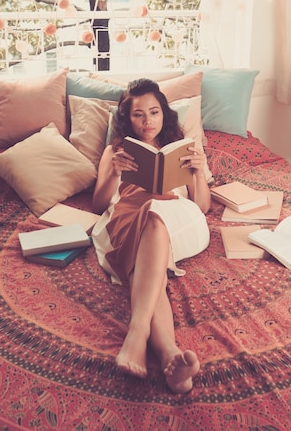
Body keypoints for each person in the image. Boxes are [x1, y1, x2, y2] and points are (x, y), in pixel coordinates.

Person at [92, 78, 211, 393]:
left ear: (164, 114)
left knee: (156, 223)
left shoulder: (185, 148)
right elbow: (99, 203)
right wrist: (115, 172)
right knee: (149, 246)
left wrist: (198, 173)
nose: (147, 122)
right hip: (129, 215)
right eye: (138, 114)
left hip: (179, 217)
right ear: (127, 118)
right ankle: (171, 356)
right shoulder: (115, 151)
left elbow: (202, 206)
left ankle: (137, 333)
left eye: (154, 113)